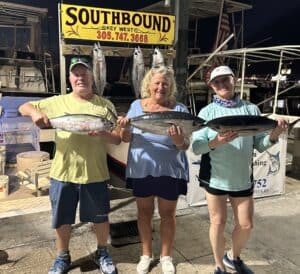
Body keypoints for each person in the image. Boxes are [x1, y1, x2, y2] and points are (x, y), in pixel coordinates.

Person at [18, 56, 121, 274]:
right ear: (70, 78)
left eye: (84, 73)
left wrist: (104, 133)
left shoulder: (105, 105)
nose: (80, 77)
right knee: (62, 219)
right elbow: (23, 107)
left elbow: (118, 138)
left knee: (100, 218)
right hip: (63, 172)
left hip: (95, 173)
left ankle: (102, 251)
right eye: (76, 74)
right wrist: (35, 113)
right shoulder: (58, 101)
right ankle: (62, 257)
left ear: (92, 77)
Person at [191, 65, 288, 274]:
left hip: (242, 177)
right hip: (215, 178)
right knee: (217, 223)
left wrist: (274, 134)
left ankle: (232, 257)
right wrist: (217, 140)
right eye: (217, 82)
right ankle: (219, 266)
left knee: (246, 225)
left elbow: (260, 144)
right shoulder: (207, 113)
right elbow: (197, 147)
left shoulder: (251, 109)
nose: (222, 85)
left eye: (225, 80)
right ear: (212, 87)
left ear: (234, 80)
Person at [118, 65, 189, 274]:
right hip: (142, 168)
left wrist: (178, 141)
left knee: (168, 214)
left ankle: (166, 256)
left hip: (170, 169)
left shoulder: (180, 110)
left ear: (171, 87)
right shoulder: (136, 106)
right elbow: (126, 138)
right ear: (149, 85)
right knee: (144, 212)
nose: (161, 87)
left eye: (165, 83)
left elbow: (185, 145)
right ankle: (146, 254)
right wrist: (124, 128)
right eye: (157, 82)